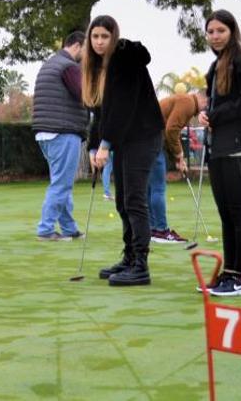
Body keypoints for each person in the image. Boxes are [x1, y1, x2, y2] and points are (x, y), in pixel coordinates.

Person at [84, 15, 164, 286]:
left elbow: (122, 108)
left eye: (104, 36)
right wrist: (94, 146)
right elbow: (101, 112)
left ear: (113, 36)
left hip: (143, 134)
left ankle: (141, 265)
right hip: (126, 138)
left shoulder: (125, 59)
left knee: (134, 199)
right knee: (121, 202)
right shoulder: (98, 67)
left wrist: (106, 145)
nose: (99, 42)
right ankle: (129, 256)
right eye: (94, 36)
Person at [198, 9, 241, 297]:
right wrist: (205, 114)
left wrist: (216, 114)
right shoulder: (216, 67)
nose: (215, 36)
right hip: (218, 146)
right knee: (225, 213)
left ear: (232, 31)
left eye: (220, 31)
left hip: (239, 145)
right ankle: (228, 273)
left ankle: (240, 278)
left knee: (239, 211)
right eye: (211, 31)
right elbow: (214, 102)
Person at [31, 31, 87, 241]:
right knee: (61, 184)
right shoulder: (68, 67)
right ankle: (45, 230)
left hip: (45, 133)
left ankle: (69, 228)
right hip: (63, 132)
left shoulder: (50, 64)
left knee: (61, 182)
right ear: (77, 46)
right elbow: (84, 95)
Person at [148, 91, 208, 244]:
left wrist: (177, 159)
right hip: (152, 139)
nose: (206, 108)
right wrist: (179, 154)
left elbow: (170, 130)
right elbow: (171, 130)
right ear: (201, 98)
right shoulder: (188, 102)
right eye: (207, 103)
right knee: (158, 187)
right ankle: (161, 230)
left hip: (148, 138)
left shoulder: (186, 102)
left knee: (151, 187)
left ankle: (152, 229)